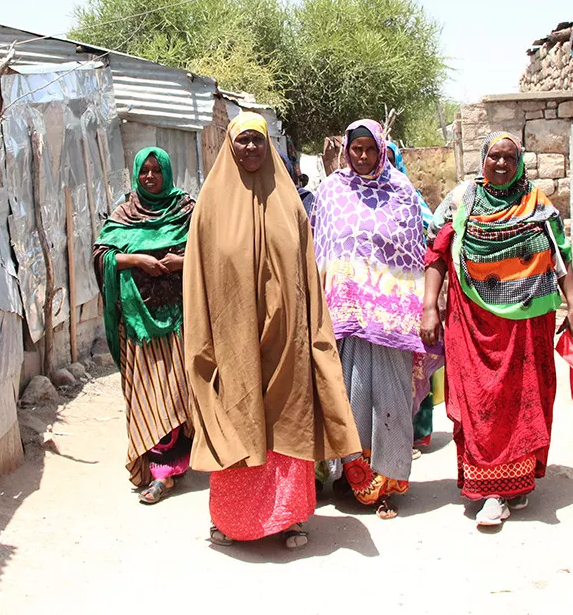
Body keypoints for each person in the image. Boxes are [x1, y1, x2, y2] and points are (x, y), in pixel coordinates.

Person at [183, 112, 361, 549]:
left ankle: (290, 519)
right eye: (242, 141)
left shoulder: (289, 203)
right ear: (230, 145)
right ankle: (232, 522)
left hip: (286, 339)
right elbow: (197, 281)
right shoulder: (209, 206)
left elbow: (305, 272)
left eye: (257, 142)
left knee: (287, 419)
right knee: (237, 418)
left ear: (269, 147)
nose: (250, 149)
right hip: (231, 338)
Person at [420, 131, 573, 527]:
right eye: (494, 156)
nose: (501, 164)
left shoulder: (537, 204)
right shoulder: (460, 202)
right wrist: (429, 306)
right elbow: (437, 255)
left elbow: (559, 254)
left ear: (520, 162)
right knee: (481, 400)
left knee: (525, 397)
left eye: (510, 158)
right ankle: (491, 489)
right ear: (483, 159)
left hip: (527, 327)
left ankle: (517, 480)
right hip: (473, 326)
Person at [310, 120, 430, 520]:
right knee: (349, 394)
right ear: (346, 149)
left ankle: (387, 483)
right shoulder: (330, 193)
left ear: (382, 149)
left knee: (390, 399)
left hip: (391, 318)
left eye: (370, 149)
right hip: (342, 316)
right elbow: (318, 250)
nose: (362, 156)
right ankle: (348, 477)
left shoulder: (402, 193)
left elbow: (415, 253)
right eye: (355, 149)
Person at [93, 147, 195, 505]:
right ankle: (155, 468)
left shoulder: (185, 210)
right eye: (144, 172)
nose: (150, 177)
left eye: (156, 171)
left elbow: (208, 249)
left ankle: (170, 470)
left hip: (179, 322)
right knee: (147, 394)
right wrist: (136, 259)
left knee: (175, 391)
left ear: (167, 172)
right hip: (137, 324)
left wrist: (179, 262)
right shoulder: (124, 214)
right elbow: (101, 255)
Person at [385, 141, 439, 456]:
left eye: (392, 161)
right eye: (384, 160)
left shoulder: (409, 197)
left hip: (411, 287)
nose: (387, 167)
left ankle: (418, 432)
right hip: (374, 295)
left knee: (414, 362)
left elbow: (431, 231)